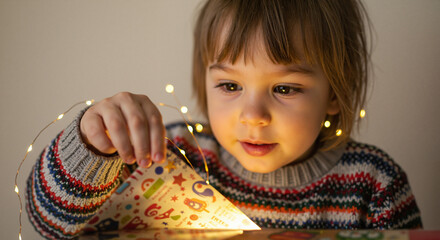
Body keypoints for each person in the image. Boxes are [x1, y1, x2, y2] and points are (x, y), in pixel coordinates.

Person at [26, 0, 422, 239]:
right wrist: (93, 145)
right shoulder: (169, 156)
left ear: (334, 92)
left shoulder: (374, 184)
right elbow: (48, 225)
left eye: (285, 88)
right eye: (230, 86)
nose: (253, 116)